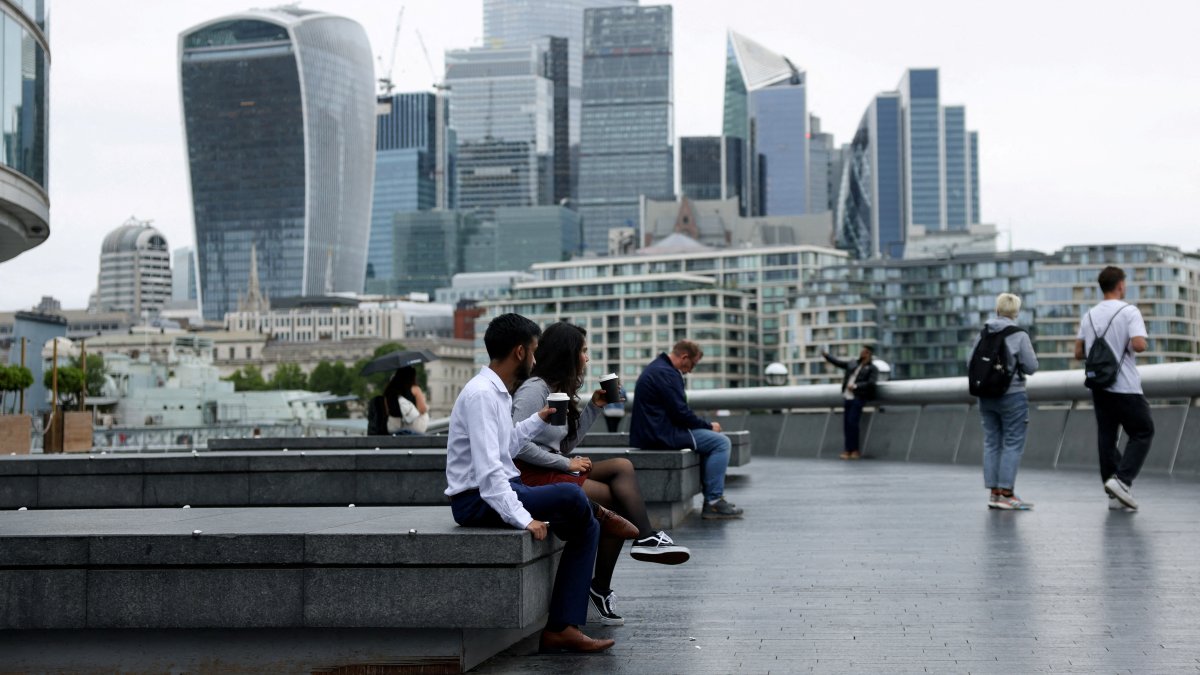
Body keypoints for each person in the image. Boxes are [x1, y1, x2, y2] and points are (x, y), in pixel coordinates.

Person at [445, 313, 612, 653]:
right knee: (571, 496)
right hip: (476, 500)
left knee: (586, 522)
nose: (536, 360)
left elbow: (506, 446)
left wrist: (537, 420)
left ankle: (563, 627)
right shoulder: (481, 395)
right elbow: (490, 474)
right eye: (534, 352)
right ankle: (563, 626)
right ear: (520, 352)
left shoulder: (498, 393)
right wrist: (523, 518)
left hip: (495, 491)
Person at [512, 322, 691, 627]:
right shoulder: (535, 388)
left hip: (550, 468)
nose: (586, 358)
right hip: (530, 478)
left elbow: (564, 442)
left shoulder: (557, 389)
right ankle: (602, 586)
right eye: (583, 351)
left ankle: (644, 538)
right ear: (568, 353)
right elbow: (513, 443)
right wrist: (565, 465)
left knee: (622, 466)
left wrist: (595, 407)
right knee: (615, 504)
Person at [629, 340, 744, 520]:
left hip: (653, 432)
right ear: (684, 357)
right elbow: (681, 413)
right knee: (721, 442)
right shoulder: (667, 373)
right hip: (662, 434)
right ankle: (713, 502)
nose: (691, 370)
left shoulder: (657, 368)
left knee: (712, 440)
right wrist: (708, 425)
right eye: (693, 364)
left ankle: (713, 498)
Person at [1074, 266, 1154, 511]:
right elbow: (1139, 344)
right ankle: (1122, 480)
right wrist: (1128, 343)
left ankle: (1114, 493)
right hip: (1126, 386)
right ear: (1120, 285)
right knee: (1143, 431)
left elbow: (1078, 352)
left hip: (1100, 386)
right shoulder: (1129, 311)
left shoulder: (1088, 315)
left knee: (1107, 437)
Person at [969, 293, 1039, 510]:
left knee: (992, 442)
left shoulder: (984, 334)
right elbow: (1031, 366)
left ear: (997, 310)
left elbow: (970, 361)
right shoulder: (1018, 335)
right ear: (1016, 313)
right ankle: (1007, 493)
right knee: (1012, 442)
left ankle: (994, 494)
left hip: (986, 396)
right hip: (1012, 395)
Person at [821, 345, 880, 460]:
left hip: (858, 397)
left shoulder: (872, 368)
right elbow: (839, 363)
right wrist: (827, 356)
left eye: (866, 352)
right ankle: (848, 450)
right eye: (863, 351)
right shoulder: (853, 364)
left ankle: (855, 450)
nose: (863, 353)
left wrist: (856, 386)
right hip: (848, 397)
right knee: (847, 425)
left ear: (869, 354)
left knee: (853, 423)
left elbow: (871, 384)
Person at [384, 366, 429, 434]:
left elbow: (387, 411)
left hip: (393, 427)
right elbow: (422, 410)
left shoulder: (389, 391)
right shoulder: (415, 389)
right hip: (413, 427)